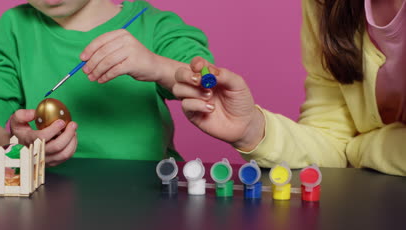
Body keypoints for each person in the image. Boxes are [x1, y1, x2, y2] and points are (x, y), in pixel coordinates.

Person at [0, 0, 213, 167]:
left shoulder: (154, 25)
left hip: (148, 194)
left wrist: (157, 66)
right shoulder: (11, 29)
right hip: (44, 199)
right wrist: (15, 149)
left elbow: (208, 84)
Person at [172, 0, 406, 176]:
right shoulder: (327, 4)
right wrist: (252, 129)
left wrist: (364, 148)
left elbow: (349, 150)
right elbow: (331, 142)